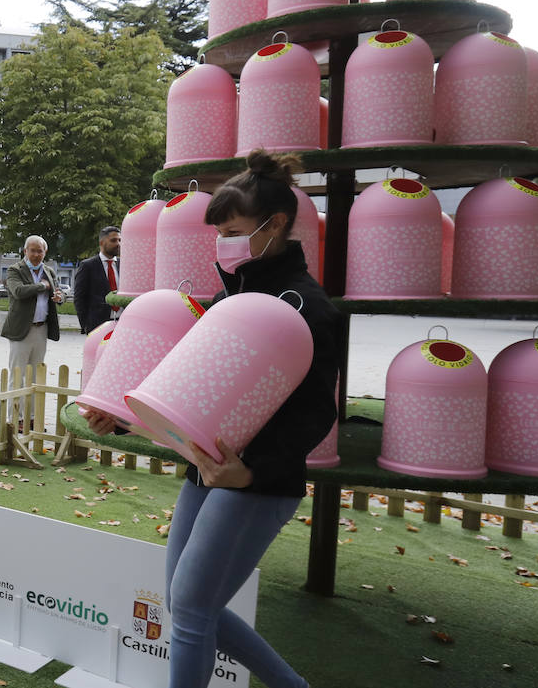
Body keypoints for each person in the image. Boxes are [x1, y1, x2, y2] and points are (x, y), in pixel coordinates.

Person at [82, 150, 337, 688]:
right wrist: (122, 418)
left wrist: (252, 472)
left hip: (257, 482)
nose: (225, 243)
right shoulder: (235, 292)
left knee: (194, 608)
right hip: (208, 469)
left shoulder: (308, 306)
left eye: (235, 230)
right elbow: (190, 391)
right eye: (220, 231)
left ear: (278, 225)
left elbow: (317, 411)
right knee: (187, 604)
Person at [0, 235, 62, 427]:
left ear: (45, 253)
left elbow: (57, 291)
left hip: (41, 329)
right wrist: (42, 286)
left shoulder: (49, 271)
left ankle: (32, 418)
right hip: (21, 330)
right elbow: (18, 292)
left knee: (36, 377)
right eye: (32, 250)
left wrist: (59, 297)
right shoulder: (15, 270)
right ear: (25, 251)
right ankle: (15, 419)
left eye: (40, 251)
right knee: (17, 376)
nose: (36, 254)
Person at [72, 225, 121, 334]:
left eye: (119, 240)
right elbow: (79, 298)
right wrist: (85, 325)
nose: (118, 244)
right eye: (113, 240)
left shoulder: (124, 265)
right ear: (102, 243)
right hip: (97, 325)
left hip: (122, 323)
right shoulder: (88, 266)